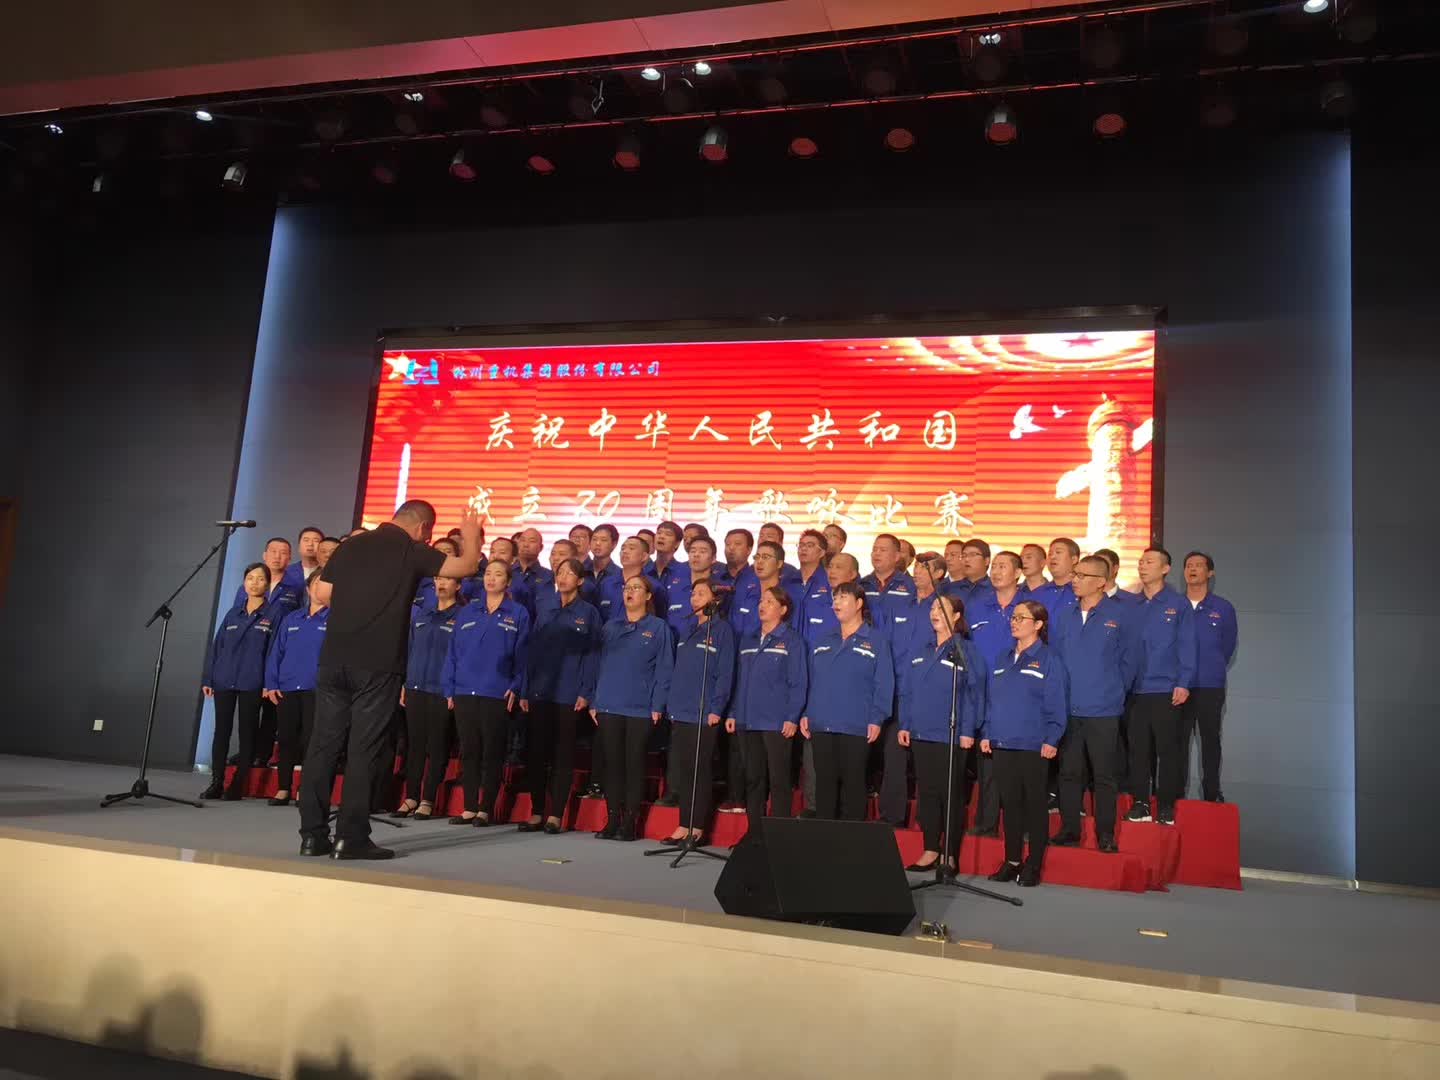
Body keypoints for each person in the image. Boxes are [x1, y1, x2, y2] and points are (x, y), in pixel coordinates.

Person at [296, 501, 481, 859]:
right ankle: (350, 837)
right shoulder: (411, 550)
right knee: (363, 749)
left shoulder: (350, 545)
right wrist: (471, 536)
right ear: (423, 528)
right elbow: (467, 567)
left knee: (322, 746)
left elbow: (323, 593)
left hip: (334, 657)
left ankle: (312, 836)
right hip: (377, 664)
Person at [1050, 556, 1137, 853]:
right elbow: (1056, 658)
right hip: (1068, 708)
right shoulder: (1065, 615)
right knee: (1069, 773)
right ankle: (1069, 830)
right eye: (1075, 574)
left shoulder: (1121, 615)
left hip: (1103, 710)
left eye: (1082, 575)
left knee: (1104, 776)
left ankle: (1106, 834)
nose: (1075, 580)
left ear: (1101, 582)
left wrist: (1113, 692)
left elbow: (1130, 662)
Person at [897, 593, 986, 873]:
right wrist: (905, 723)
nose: (934, 612)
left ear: (956, 616)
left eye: (942, 608)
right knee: (927, 793)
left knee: (950, 795)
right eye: (933, 607)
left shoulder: (964, 650)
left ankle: (950, 854)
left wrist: (968, 729)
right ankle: (930, 849)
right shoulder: (921, 648)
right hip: (921, 732)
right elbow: (907, 690)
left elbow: (974, 693)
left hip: (951, 733)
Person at [983, 600, 1067, 887]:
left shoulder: (1049, 659)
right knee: (1010, 805)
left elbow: (1056, 703)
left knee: (1034, 805)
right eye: (1013, 617)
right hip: (1003, 742)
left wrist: (1052, 738)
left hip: (1033, 744)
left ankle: (1034, 864)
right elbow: (993, 701)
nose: (1014, 622)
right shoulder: (1003, 658)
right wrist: (988, 732)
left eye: (1021, 618)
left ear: (1038, 624)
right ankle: (1012, 861)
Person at [444, 559, 531, 826]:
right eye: (488, 573)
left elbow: (524, 657)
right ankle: (469, 807)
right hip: (464, 690)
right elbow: (453, 653)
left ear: (508, 581)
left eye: (498, 574)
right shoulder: (468, 611)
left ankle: (485, 809)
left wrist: (516, 686)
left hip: (497, 692)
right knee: (469, 750)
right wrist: (449, 687)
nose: (491, 578)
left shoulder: (518, 613)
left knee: (492, 751)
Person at [520, 557, 601, 833]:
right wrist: (525, 689)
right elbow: (532, 652)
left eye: (569, 573)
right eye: (560, 572)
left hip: (569, 694)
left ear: (580, 581)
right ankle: (537, 811)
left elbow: (592, 656)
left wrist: (586, 691)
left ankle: (555, 815)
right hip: (540, 690)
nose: (563, 576)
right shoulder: (546, 609)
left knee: (562, 755)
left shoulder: (588, 613)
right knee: (537, 753)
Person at [800, 581, 893, 821]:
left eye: (843, 597)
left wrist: (877, 718)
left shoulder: (876, 640)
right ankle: (825, 837)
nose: (836, 603)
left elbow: (884, 683)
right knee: (824, 784)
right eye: (835, 598)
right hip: (822, 723)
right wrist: (807, 712)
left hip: (856, 724)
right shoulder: (823, 639)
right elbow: (813, 681)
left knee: (853, 784)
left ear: (859, 603)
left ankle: (853, 840)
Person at [590, 576, 673, 840]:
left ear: (648, 596)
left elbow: (665, 669)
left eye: (636, 588)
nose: (630, 592)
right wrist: (595, 700)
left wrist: (658, 704)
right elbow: (598, 665)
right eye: (627, 588)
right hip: (609, 703)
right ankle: (612, 819)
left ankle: (629, 823)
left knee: (634, 764)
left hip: (640, 707)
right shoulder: (610, 627)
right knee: (612, 764)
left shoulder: (658, 628)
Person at [661, 579, 736, 845]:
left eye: (701, 594)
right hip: (681, 709)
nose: (694, 598)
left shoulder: (722, 630)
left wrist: (717, 707)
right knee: (684, 769)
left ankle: (698, 828)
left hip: (704, 712)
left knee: (698, 770)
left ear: (714, 600)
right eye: (693, 593)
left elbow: (725, 673)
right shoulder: (688, 628)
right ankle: (684, 824)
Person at [1125, 546, 1196, 826]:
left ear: (1165, 569)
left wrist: (1183, 682)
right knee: (1138, 752)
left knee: (1167, 751)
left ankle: (1165, 805)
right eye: (1141, 561)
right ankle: (1140, 803)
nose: (1143, 566)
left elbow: (1188, 645)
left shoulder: (1178, 604)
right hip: (1135, 690)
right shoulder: (1131, 604)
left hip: (1166, 689)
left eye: (1150, 562)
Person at [729, 586, 808, 835]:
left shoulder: (792, 640)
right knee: (753, 779)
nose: (763, 605)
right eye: (762, 601)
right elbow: (739, 680)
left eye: (770, 602)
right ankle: (755, 834)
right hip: (747, 719)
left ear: (783, 609)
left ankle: (779, 836)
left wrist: (792, 717)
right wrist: (733, 712)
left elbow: (798, 682)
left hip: (776, 721)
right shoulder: (748, 639)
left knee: (779, 780)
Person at [201, 562, 279, 800]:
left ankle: (238, 784)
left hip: (252, 682)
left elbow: (274, 652)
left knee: (247, 733)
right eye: (250, 578)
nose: (255, 583)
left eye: (260, 579)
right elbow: (217, 647)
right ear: (244, 583)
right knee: (221, 732)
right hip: (224, 678)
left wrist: (269, 682)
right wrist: (209, 677)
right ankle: (216, 782)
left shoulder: (274, 614)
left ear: (268, 585)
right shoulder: (233, 613)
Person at [393, 572, 465, 821]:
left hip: (441, 690)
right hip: (415, 686)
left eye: (447, 579)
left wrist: (453, 688)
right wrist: (405, 682)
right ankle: (411, 796)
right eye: (437, 579)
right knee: (415, 745)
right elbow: (410, 650)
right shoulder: (422, 614)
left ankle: (428, 799)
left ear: (458, 585)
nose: (441, 583)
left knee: (437, 746)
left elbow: (460, 656)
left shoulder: (461, 616)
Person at [965, 550, 1027, 836]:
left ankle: (1021, 825)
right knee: (986, 761)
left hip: (1017, 693)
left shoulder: (1028, 606)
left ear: (1018, 573)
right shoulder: (977, 605)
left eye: (1004, 566)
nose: (997, 571)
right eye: (995, 566)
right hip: (981, 691)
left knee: (1017, 761)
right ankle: (987, 823)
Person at [263, 569, 330, 807]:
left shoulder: (334, 619)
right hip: (288, 687)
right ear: (309, 589)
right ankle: (283, 788)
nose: (320, 588)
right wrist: (271, 683)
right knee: (286, 738)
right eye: (317, 583)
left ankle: (305, 788)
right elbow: (276, 652)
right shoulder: (292, 618)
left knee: (310, 740)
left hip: (316, 689)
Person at [1181, 551, 1237, 802]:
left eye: (1198, 565)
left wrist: (1210, 666)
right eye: (1188, 565)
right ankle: (1175, 795)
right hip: (1178, 686)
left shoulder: (1223, 608)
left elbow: (1227, 646)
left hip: (1209, 686)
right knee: (1177, 743)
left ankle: (1212, 793)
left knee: (1210, 741)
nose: (1192, 569)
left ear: (1210, 573)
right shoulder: (1175, 606)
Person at [599, 535, 668, 625]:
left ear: (644, 556)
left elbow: (660, 619)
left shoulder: (654, 586)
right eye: (623, 548)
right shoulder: (606, 583)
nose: (625, 551)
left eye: (631, 548)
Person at [860, 533, 915, 635]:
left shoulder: (911, 586)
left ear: (896, 556)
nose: (877, 553)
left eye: (883, 550)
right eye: (874, 549)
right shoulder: (861, 585)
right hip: (867, 642)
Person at [1031, 538, 1080, 618]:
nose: (1052, 557)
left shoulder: (1083, 592)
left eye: (1058, 552)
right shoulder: (1036, 594)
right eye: (1050, 554)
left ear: (1074, 559)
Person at [514, 528, 554, 596]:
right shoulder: (506, 572)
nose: (526, 545)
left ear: (541, 547)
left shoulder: (548, 575)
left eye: (532, 541)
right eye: (522, 540)